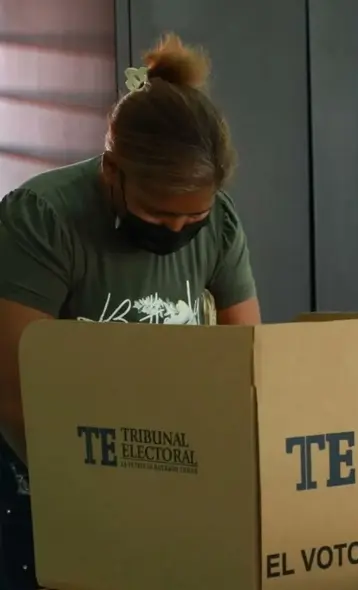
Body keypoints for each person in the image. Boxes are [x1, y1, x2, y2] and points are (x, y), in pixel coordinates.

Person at [0, 33, 260, 589]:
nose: (177, 230)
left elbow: (250, 362)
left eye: (193, 218)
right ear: (112, 171)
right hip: (52, 480)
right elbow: (16, 392)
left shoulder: (221, 224)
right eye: (159, 213)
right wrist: (98, 494)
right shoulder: (42, 219)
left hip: (179, 475)